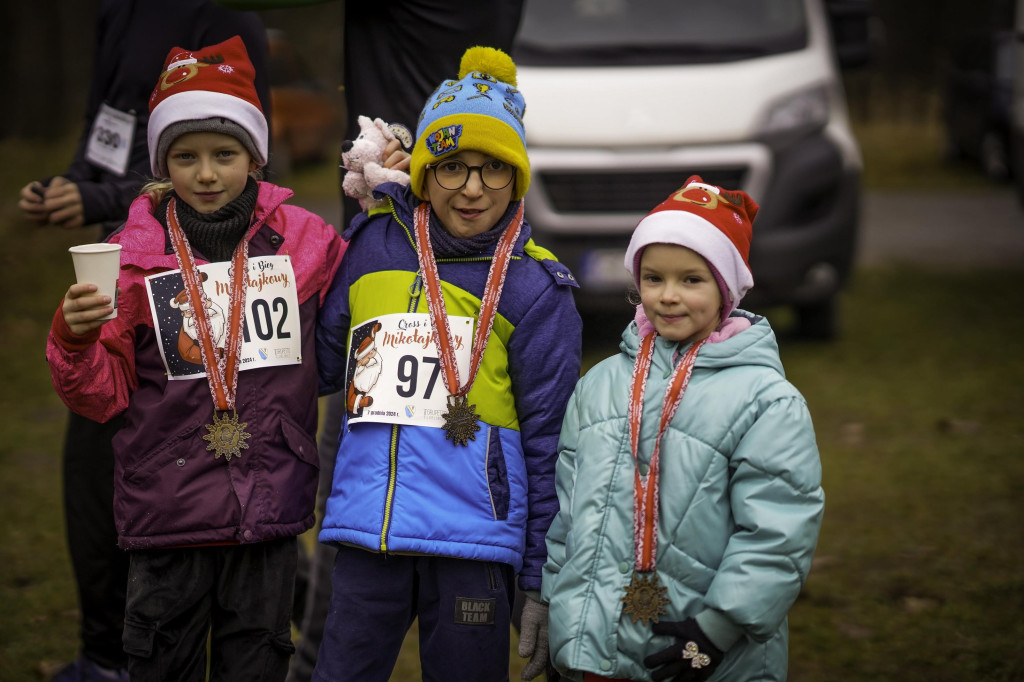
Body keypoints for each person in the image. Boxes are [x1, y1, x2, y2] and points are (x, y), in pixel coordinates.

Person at [45, 35, 345, 681]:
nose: (206, 174)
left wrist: (392, 201)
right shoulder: (131, 255)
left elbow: (355, 317)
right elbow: (100, 394)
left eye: (225, 154)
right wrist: (74, 340)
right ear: (162, 165)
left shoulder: (308, 243)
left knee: (257, 661)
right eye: (185, 157)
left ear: (256, 157)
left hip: (267, 506)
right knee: (164, 663)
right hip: (167, 510)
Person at [313, 46, 582, 681]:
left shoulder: (535, 290)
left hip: (474, 546)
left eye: (494, 169)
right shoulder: (372, 246)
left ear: (517, 177)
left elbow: (553, 447)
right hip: (367, 534)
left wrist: (540, 574)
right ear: (423, 173)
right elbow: (318, 366)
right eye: (452, 167)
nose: (471, 188)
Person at [20, 4, 270, 681]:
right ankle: (106, 655)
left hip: (205, 261)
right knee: (93, 463)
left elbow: (227, 159)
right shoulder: (118, 10)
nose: (209, 166)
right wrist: (76, 183)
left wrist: (101, 193)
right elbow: (109, 119)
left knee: (215, 464)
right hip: (126, 248)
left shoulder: (226, 17)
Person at [542, 177, 825, 681]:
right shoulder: (600, 384)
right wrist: (558, 611)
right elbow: (567, 513)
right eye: (653, 278)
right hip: (595, 653)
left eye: (691, 280)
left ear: (726, 288)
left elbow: (778, 534)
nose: (668, 296)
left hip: (709, 658)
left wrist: (718, 630)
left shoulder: (766, 402)